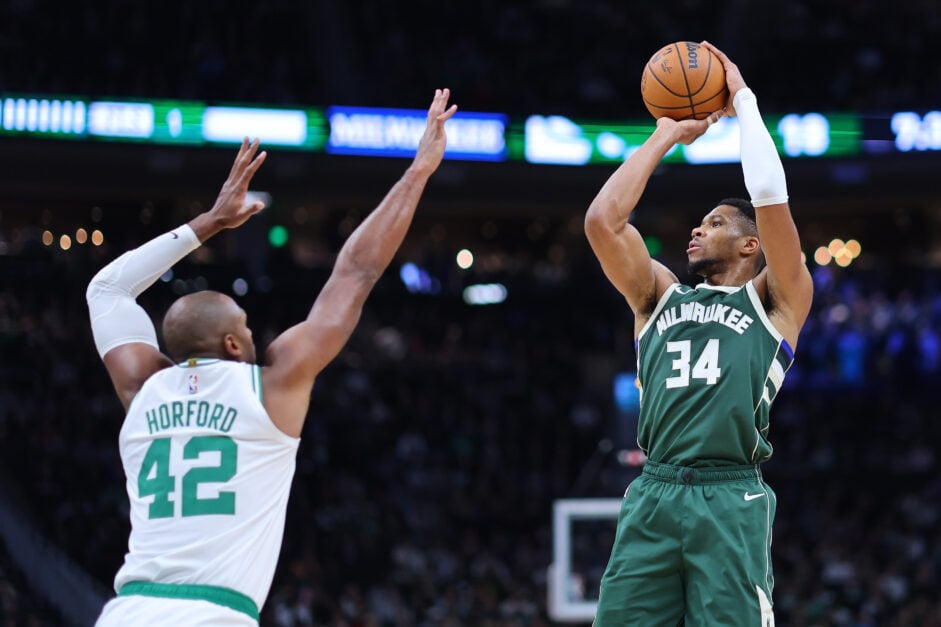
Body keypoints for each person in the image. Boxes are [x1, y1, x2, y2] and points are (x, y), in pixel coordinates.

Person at [87, 89, 458, 626]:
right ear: (233, 345)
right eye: (245, 324)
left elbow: (108, 289)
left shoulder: (142, 389)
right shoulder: (270, 386)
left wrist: (210, 223)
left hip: (127, 612)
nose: (254, 332)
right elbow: (355, 272)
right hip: (216, 616)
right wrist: (418, 172)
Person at [584, 42, 813, 626]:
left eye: (714, 224)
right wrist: (664, 135)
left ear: (749, 244)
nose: (696, 228)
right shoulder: (658, 296)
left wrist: (743, 100)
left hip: (730, 496)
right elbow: (602, 222)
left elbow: (770, 198)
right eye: (699, 221)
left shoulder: (775, 300)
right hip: (653, 491)